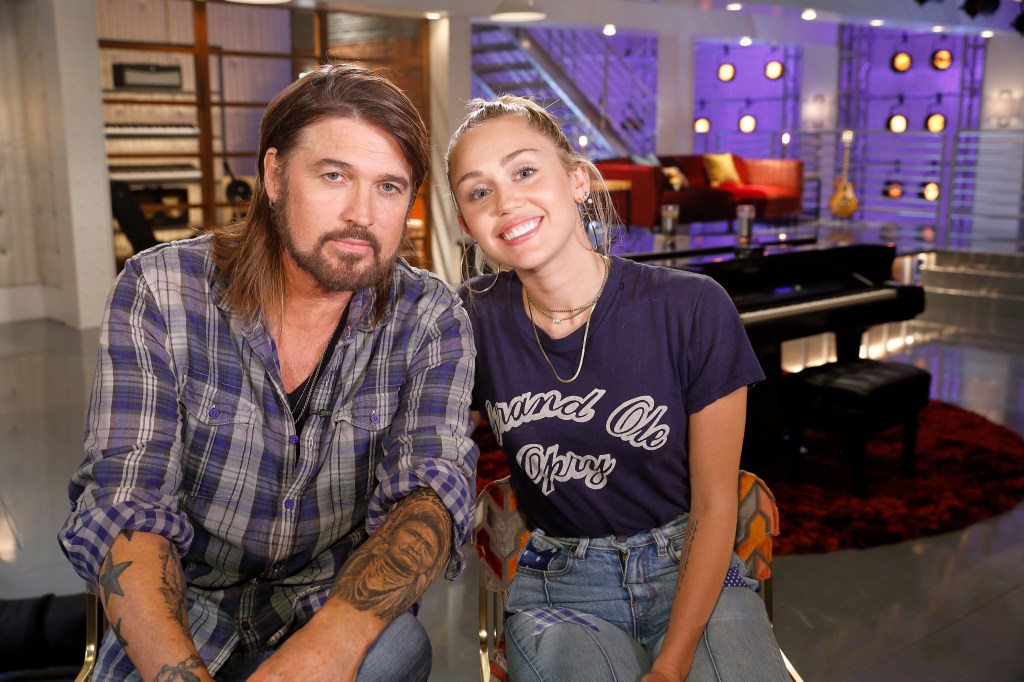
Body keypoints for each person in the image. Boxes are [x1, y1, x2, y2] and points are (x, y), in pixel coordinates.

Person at [59, 64, 478, 682]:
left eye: (389, 187)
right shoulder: (162, 291)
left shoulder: (430, 317)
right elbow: (128, 503)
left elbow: (429, 496)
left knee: (397, 649)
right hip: (187, 604)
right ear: (275, 175)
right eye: (334, 176)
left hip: (328, 602)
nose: (362, 213)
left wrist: (327, 648)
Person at [446, 95, 789, 682]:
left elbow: (714, 504)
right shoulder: (470, 321)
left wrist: (671, 664)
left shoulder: (692, 307)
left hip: (690, 563)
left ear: (577, 180)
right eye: (479, 192)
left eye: (524, 171)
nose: (506, 202)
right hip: (559, 585)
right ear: (466, 222)